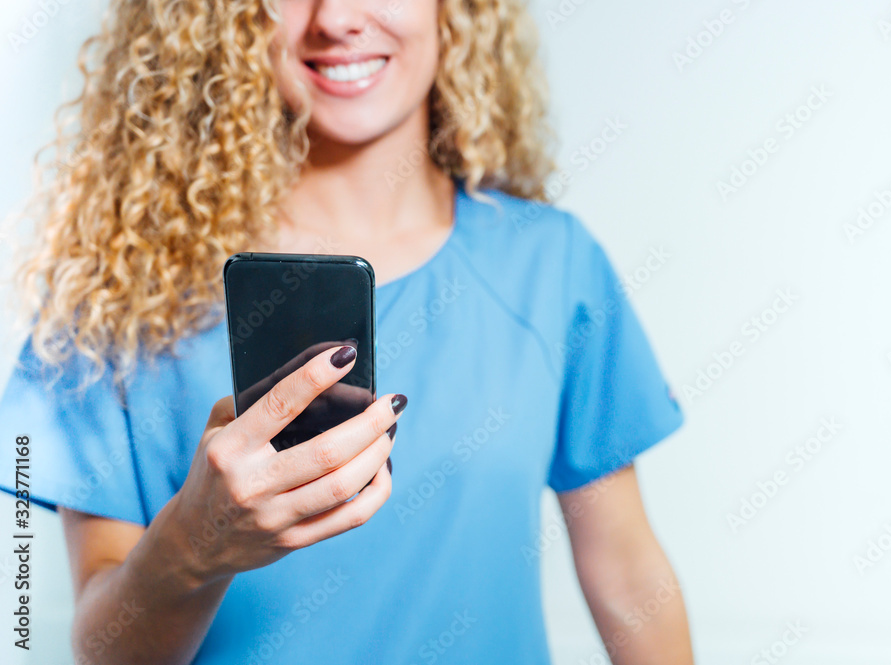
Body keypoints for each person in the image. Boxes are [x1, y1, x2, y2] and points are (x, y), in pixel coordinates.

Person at [0, 0, 693, 663]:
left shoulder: (551, 266)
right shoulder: (116, 299)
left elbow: (627, 571)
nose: (336, 18)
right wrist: (193, 547)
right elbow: (102, 649)